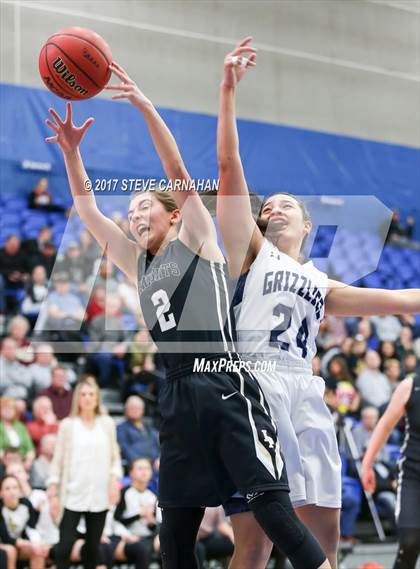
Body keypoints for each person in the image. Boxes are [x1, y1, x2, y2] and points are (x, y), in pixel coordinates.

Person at [44, 62, 331, 569]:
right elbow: (88, 210)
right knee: (174, 536)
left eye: (143, 207)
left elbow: (177, 171)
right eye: (129, 211)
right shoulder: (138, 263)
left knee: (273, 513)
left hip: (223, 382)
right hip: (176, 394)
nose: (133, 215)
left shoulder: (197, 238)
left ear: (173, 212)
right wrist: (72, 153)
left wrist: (143, 105)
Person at [215, 36, 420, 569]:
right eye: (271, 204)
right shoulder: (251, 253)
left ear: (309, 225)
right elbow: (228, 165)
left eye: (289, 204)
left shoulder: (319, 279)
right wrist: (227, 91)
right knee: (255, 541)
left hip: (305, 387)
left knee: (324, 523)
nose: (276, 206)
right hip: (255, 383)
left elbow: (400, 299)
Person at [46, 377, 122, 569]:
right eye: (83, 394)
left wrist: (115, 480)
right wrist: (53, 490)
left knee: (92, 549)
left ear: (97, 398)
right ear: (77, 398)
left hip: (99, 495)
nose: (87, 398)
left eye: (91, 394)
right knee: (64, 548)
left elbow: (115, 457)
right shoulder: (68, 425)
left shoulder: (107, 424)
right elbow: (58, 460)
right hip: (72, 494)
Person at [362, 374, 420, 569]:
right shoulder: (411, 385)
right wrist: (367, 465)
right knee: (410, 542)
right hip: (413, 473)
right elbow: (385, 425)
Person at [0, 475, 50, 569]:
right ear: (1, 492)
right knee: (11, 551)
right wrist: (29, 544)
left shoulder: (26, 504)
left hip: (19, 542)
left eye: (15, 487)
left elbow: (32, 527)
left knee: (37, 551)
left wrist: (36, 544)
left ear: (19, 490)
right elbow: (6, 538)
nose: (12, 491)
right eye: (7, 488)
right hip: (3, 543)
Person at [117, 396, 160, 470]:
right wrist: (147, 462)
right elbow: (126, 449)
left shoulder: (149, 428)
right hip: (136, 467)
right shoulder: (121, 429)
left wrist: (159, 458)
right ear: (126, 410)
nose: (135, 410)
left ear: (142, 411)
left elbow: (159, 446)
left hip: (155, 467)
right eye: (132, 408)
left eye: (138, 408)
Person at [0, 397, 35, 470]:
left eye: (11, 409)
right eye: (5, 409)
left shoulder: (21, 426)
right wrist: (8, 463)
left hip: (22, 462)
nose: (8, 411)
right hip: (3, 463)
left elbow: (30, 449)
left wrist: (28, 462)